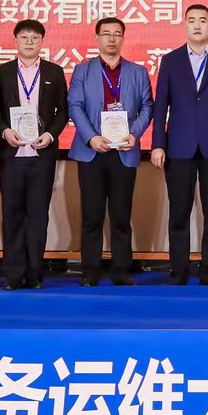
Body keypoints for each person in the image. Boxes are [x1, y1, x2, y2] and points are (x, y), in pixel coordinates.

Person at [151, 4, 208, 285]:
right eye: (192, 20)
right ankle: (179, 270)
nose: (197, 25)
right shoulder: (170, 60)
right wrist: (158, 144)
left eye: (203, 20)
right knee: (179, 212)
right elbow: (160, 106)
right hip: (178, 147)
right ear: (184, 26)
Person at [68, 17, 152, 286]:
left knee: (121, 216)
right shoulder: (83, 70)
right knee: (91, 215)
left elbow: (147, 106)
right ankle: (90, 272)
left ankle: (121, 270)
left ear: (123, 38)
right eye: (106, 34)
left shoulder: (138, 72)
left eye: (117, 34)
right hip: (91, 152)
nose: (112, 39)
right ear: (97, 38)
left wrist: (134, 134)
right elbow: (75, 106)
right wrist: (91, 137)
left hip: (124, 151)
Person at [0, 19, 68, 290]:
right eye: (24, 37)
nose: (29, 42)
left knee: (38, 216)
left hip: (42, 155)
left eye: (35, 38)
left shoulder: (54, 72)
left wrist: (51, 135)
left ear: (42, 42)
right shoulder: (1, 72)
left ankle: (35, 274)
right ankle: (13, 275)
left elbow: (63, 111)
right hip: (11, 154)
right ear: (15, 41)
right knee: (11, 214)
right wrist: (4, 131)